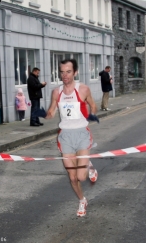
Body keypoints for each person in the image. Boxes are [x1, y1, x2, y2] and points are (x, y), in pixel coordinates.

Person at [46, 59, 99, 217]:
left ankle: (88, 165)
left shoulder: (83, 89)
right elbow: (52, 111)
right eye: (62, 72)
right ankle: (82, 200)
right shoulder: (57, 92)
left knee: (82, 177)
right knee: (73, 176)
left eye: (68, 72)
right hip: (65, 136)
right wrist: (47, 114)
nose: (65, 75)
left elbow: (93, 105)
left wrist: (92, 113)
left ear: (75, 72)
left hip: (82, 134)